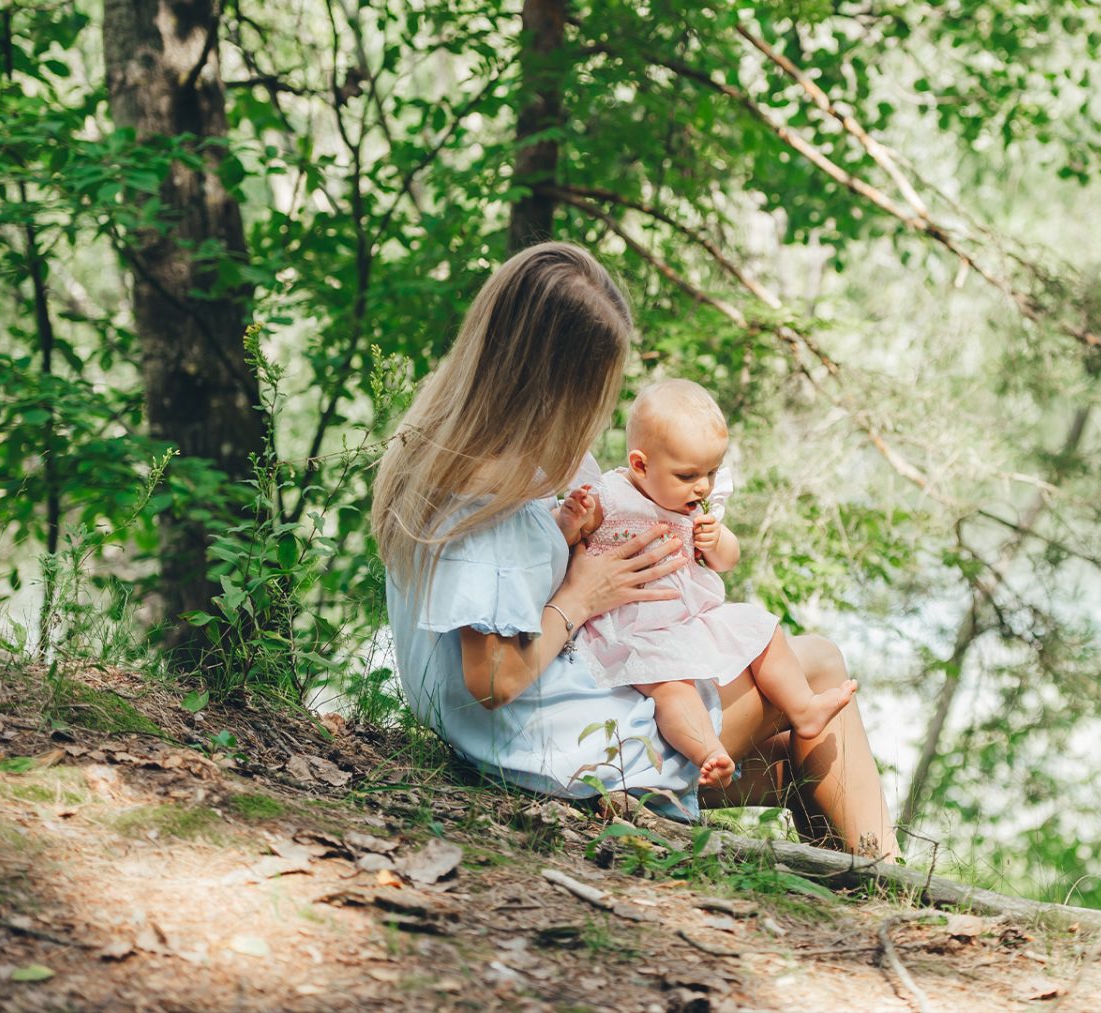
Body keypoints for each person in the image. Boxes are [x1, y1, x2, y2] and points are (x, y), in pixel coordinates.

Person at [370, 241, 894, 856]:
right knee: (817, 664)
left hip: (549, 711)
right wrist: (581, 594)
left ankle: (872, 887)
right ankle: (891, 887)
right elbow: (492, 678)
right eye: (596, 384)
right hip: (538, 739)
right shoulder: (489, 491)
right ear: (557, 379)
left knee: (798, 761)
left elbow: (511, 586)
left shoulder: (457, 447)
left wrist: (571, 540)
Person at [556, 379, 857, 790]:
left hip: (690, 617)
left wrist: (717, 541)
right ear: (641, 465)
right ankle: (707, 752)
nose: (702, 486)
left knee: (762, 628)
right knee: (673, 689)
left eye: (712, 472)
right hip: (636, 629)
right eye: (688, 475)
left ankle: (803, 708)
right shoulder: (614, 496)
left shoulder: (691, 504)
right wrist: (573, 519)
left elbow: (726, 560)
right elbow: (574, 534)